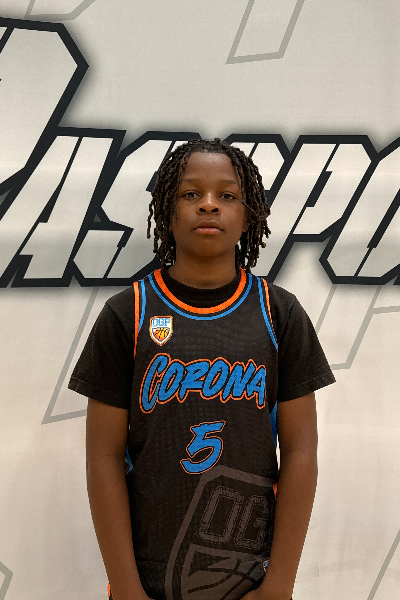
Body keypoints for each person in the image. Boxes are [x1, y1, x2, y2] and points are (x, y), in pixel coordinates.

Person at [68, 138, 335, 600]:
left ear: (248, 216)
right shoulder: (127, 314)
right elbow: (103, 458)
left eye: (227, 195)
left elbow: (300, 451)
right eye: (190, 193)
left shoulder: (279, 313)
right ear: (166, 214)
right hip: (149, 578)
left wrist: (278, 586)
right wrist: (127, 588)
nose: (208, 204)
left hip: (251, 577)